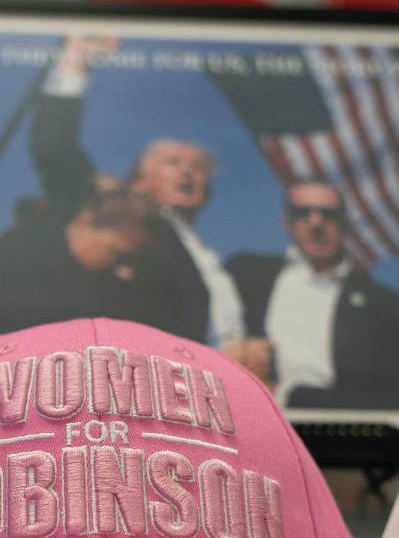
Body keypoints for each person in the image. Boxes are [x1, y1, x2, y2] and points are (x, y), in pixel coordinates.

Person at [29, 35, 244, 347]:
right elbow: (53, 146)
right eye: (173, 162)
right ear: (139, 181)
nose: (187, 171)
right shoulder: (114, 213)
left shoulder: (207, 255)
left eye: (198, 167)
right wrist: (74, 62)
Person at [226, 180, 399, 411]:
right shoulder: (244, 275)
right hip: (250, 424)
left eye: (329, 214)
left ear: (346, 224)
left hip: (341, 439)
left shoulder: (392, 310)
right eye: (303, 212)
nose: (316, 222)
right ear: (286, 222)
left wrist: (292, 397)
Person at [0, 189, 176, 356]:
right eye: (120, 255)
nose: (126, 273)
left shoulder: (95, 286)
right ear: (85, 222)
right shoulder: (16, 263)